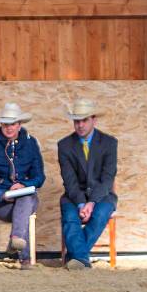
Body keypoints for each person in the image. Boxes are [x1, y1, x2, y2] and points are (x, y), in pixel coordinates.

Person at [0, 102, 46, 270]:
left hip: (26, 198)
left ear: (19, 124)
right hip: (0, 202)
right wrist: (2, 193)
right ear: (1, 125)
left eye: (13, 124)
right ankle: (23, 257)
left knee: (24, 198)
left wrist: (23, 185)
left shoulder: (31, 144)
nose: (9, 128)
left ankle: (16, 238)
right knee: (23, 208)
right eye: (5, 124)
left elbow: (39, 177)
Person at [57, 98, 117, 270]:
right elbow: (69, 180)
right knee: (70, 218)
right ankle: (82, 259)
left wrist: (91, 203)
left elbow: (108, 178)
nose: (80, 125)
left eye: (85, 120)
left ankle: (74, 256)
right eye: (77, 121)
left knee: (99, 214)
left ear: (94, 120)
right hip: (73, 195)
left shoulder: (109, 143)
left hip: (103, 195)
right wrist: (82, 203)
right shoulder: (64, 145)